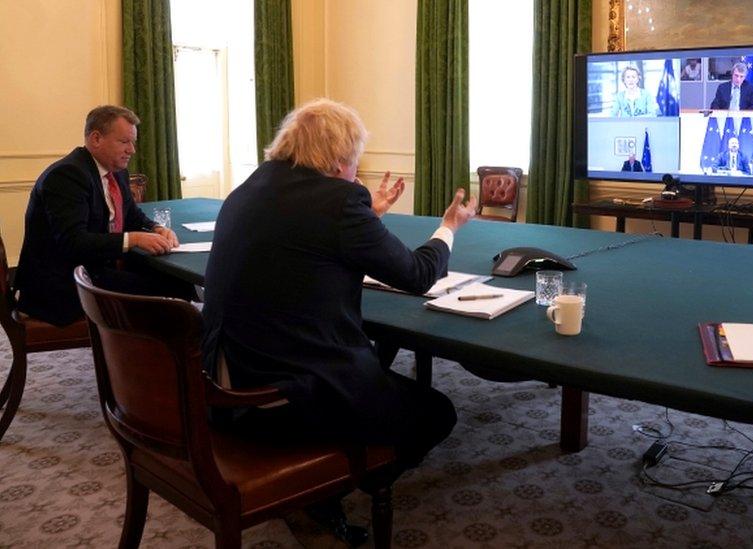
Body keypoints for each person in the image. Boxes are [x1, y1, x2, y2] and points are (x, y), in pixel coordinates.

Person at [201, 98, 477, 544]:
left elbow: (300, 241)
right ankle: (331, 486)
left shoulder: (251, 186)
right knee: (437, 413)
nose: (356, 170)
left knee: (377, 364)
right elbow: (418, 274)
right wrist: (448, 227)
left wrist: (368, 218)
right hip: (285, 392)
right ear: (335, 160)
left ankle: (333, 476)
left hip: (226, 373)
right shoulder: (340, 200)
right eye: (354, 160)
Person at [15, 105, 181, 327]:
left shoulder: (116, 171)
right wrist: (134, 239)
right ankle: (144, 356)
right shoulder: (67, 175)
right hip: (61, 284)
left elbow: (131, 215)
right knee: (167, 289)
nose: (132, 150)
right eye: (124, 142)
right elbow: (73, 242)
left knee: (170, 280)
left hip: (94, 267)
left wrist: (155, 228)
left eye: (133, 142)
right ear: (96, 139)